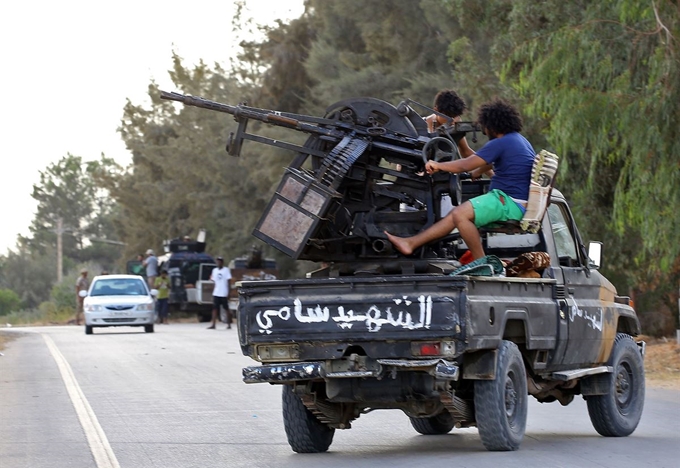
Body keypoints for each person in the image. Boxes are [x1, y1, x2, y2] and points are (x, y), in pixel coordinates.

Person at [386, 99, 535, 260]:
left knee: (460, 215)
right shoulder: (519, 140)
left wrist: (438, 165)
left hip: (508, 202)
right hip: (514, 202)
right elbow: (491, 163)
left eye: (484, 127)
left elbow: (465, 165)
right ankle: (411, 243)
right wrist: (476, 173)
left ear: (491, 125)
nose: (484, 131)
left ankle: (481, 263)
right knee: (454, 216)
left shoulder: (501, 142)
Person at [207, 256, 232, 330]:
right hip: (216, 292)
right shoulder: (214, 270)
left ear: (222, 262)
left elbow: (229, 282)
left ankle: (229, 324)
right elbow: (214, 281)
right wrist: (213, 290)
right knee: (214, 309)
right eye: (217, 261)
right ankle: (213, 324)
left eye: (220, 261)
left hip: (223, 292)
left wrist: (229, 292)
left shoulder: (226, 270)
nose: (218, 263)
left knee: (226, 308)